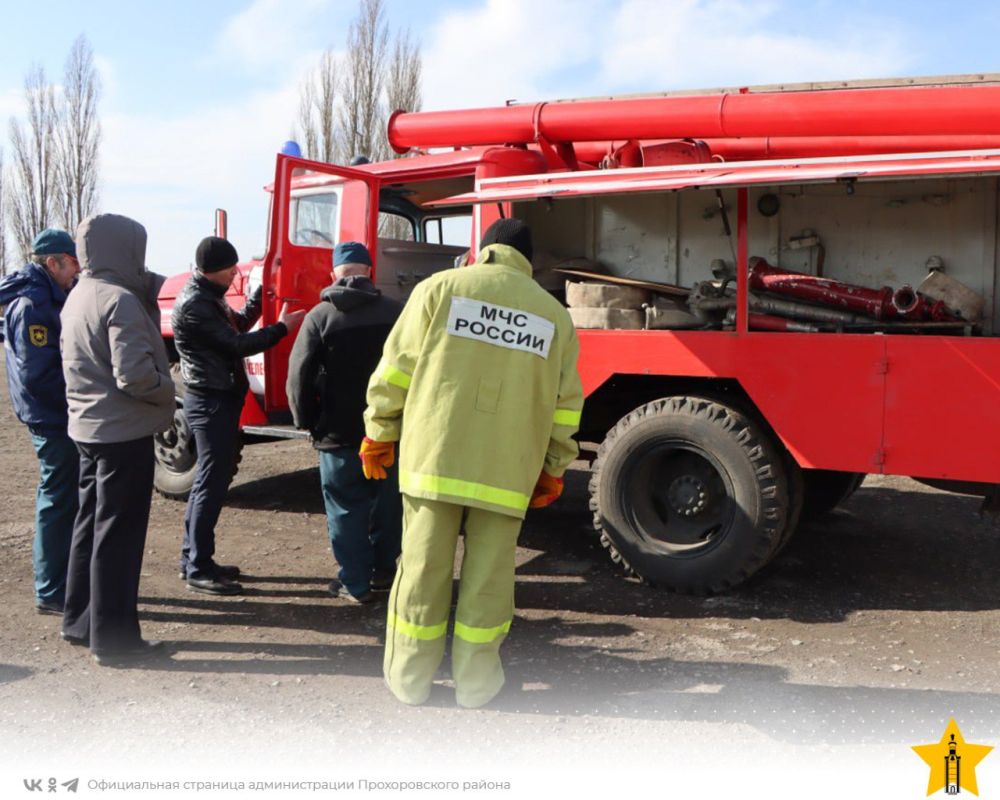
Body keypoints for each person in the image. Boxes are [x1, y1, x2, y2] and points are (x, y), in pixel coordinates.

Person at [362, 218, 584, 708]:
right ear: (528, 259)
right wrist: (553, 465)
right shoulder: (553, 315)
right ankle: (477, 687)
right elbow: (566, 405)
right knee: (489, 582)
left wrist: (380, 432)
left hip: (434, 461)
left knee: (421, 572)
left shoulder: (439, 289)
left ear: (482, 250)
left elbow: (395, 368)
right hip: (507, 473)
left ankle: (410, 681)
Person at [59, 213, 175, 665]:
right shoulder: (119, 300)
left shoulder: (78, 295)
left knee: (89, 526)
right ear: (127, 250)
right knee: (119, 538)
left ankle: (80, 620)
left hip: (88, 429)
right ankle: (116, 639)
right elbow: (136, 377)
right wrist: (170, 389)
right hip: (122, 432)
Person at [172, 236, 305, 595]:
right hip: (210, 401)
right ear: (214, 269)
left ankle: (195, 560)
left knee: (209, 484)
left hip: (216, 398)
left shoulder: (208, 296)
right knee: (209, 485)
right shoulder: (196, 304)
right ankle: (198, 566)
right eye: (230, 267)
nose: (235, 272)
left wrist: (261, 295)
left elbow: (239, 325)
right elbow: (236, 344)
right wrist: (282, 329)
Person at [286, 242, 403, 604]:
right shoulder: (397, 312)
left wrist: (305, 420)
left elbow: (298, 377)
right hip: (388, 431)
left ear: (334, 273)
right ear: (370, 271)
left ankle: (355, 583)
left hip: (337, 433)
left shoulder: (320, 317)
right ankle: (385, 571)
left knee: (345, 506)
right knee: (387, 503)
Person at [0, 229, 81, 615]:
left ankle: (63, 580)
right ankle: (51, 591)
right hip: (52, 417)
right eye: (72, 260)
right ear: (53, 263)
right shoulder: (34, 304)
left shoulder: (50, 295)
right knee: (57, 499)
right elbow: (38, 374)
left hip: (56, 413)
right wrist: (78, 398)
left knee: (65, 498)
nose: (77, 269)